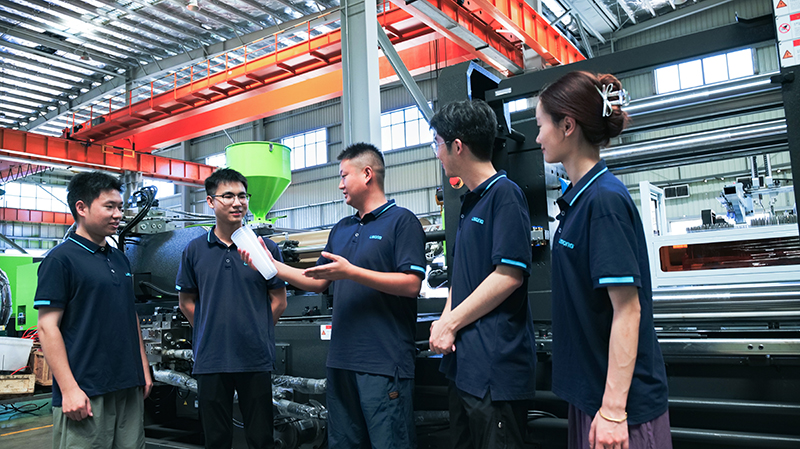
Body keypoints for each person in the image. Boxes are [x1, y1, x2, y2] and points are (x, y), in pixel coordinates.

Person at [240, 142, 426, 449]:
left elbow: (411, 284)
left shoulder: (402, 222)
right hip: (341, 361)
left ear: (367, 174)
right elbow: (316, 281)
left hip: (383, 362)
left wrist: (351, 272)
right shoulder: (342, 228)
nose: (340, 185)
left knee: (390, 443)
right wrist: (270, 265)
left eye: (343, 175)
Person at [535, 71, 671, 449]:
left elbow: (628, 310)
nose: (537, 138)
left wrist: (613, 410)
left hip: (620, 407)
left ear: (567, 126)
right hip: (593, 394)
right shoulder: (579, 200)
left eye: (541, 125)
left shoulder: (604, 201)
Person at [428, 99, 536, 449]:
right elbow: (461, 277)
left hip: (495, 369)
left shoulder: (505, 195)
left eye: (437, 144)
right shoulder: (470, 201)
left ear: (457, 146)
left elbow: (508, 275)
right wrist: (443, 321)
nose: (437, 153)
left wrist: (450, 323)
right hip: (464, 366)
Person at [35, 171, 152, 449]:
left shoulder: (120, 259)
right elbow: (47, 327)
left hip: (128, 385)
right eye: (109, 207)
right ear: (82, 208)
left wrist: (143, 370)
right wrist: (69, 389)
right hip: (86, 390)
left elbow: (130, 315)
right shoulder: (60, 260)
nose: (118, 215)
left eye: (120, 207)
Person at [176, 168, 288, 449]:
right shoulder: (194, 250)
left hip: (254, 358)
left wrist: (257, 329)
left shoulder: (265, 248)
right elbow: (186, 302)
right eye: (228, 196)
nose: (237, 202)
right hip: (211, 359)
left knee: (261, 438)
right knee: (216, 439)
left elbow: (279, 300)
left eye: (242, 196)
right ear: (210, 202)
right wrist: (209, 329)